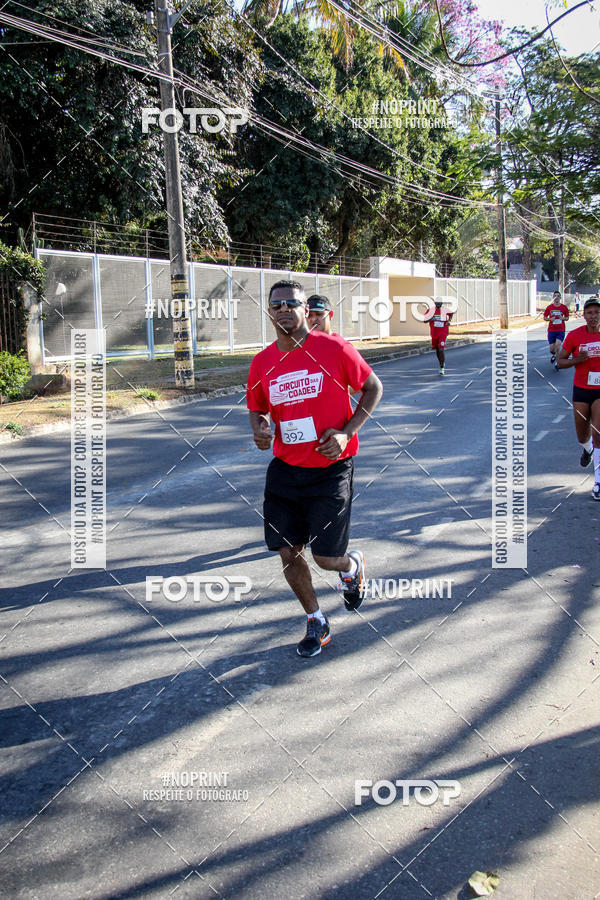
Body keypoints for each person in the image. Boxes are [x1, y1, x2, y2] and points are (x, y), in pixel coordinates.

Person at [247, 280, 383, 657]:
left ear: (306, 310)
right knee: (288, 552)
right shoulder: (262, 362)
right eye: (277, 305)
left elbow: (373, 388)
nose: (284, 310)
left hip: (330, 468)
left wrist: (346, 432)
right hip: (285, 470)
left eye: (292, 303)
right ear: (269, 312)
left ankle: (351, 567)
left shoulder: (334, 348)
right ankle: (316, 620)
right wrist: (259, 427)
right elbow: (257, 407)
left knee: (325, 558)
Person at [557, 296, 600, 500]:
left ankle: (598, 482)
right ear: (584, 316)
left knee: (598, 433)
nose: (593, 316)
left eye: (597, 312)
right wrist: (576, 359)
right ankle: (588, 449)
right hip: (581, 390)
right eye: (589, 313)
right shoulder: (575, 336)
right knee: (582, 436)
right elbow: (560, 361)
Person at [424, 298, 454, 375]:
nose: (438, 304)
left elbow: (451, 314)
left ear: (442, 303)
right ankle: (441, 362)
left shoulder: (445, 310)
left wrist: (448, 321)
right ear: (435, 303)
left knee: (441, 349)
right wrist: (431, 318)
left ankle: (441, 367)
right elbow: (424, 321)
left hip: (443, 332)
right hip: (434, 333)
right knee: (437, 349)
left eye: (440, 303)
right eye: (437, 303)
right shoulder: (430, 311)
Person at [543, 291, 570, 370]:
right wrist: (550, 319)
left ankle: (558, 364)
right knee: (552, 350)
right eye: (555, 296)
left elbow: (567, 318)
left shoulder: (564, 307)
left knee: (557, 346)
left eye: (558, 296)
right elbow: (545, 317)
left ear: (560, 297)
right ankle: (554, 355)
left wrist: (563, 318)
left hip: (560, 330)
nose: (556, 297)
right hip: (551, 330)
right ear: (553, 297)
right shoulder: (549, 307)